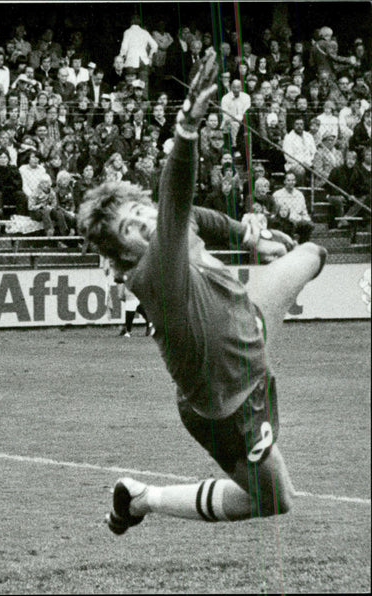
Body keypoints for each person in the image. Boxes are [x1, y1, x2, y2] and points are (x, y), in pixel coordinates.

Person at [77, 48, 327, 535]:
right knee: (276, 499)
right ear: (125, 252)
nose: (144, 222)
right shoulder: (152, 273)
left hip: (250, 322)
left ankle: (297, 254)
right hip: (227, 403)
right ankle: (141, 499)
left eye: (139, 211)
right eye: (130, 227)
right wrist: (187, 126)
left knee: (313, 254)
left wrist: (250, 235)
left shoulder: (172, 225)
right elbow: (177, 197)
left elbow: (197, 218)